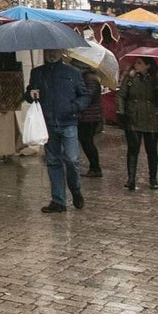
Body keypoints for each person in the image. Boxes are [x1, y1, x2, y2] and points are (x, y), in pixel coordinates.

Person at [25, 50, 90, 213]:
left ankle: (75, 190)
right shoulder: (37, 72)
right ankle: (58, 200)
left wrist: (74, 107)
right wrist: (30, 94)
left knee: (72, 160)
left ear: (61, 52)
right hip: (47, 123)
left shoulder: (72, 73)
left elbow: (84, 96)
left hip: (68, 122)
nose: (51, 54)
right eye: (48, 50)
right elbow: (28, 94)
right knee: (53, 161)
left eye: (55, 50)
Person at [116, 56, 158, 190]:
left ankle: (153, 178)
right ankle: (131, 178)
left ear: (148, 65)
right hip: (133, 117)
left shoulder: (156, 79)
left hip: (152, 119)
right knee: (133, 149)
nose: (136, 65)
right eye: (136, 62)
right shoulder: (131, 78)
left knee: (151, 150)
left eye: (140, 63)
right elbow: (121, 95)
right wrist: (121, 111)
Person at [77, 68, 104, 177]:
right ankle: (94, 167)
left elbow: (88, 96)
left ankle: (95, 168)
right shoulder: (86, 78)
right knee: (86, 141)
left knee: (87, 142)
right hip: (87, 116)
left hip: (90, 117)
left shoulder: (91, 79)